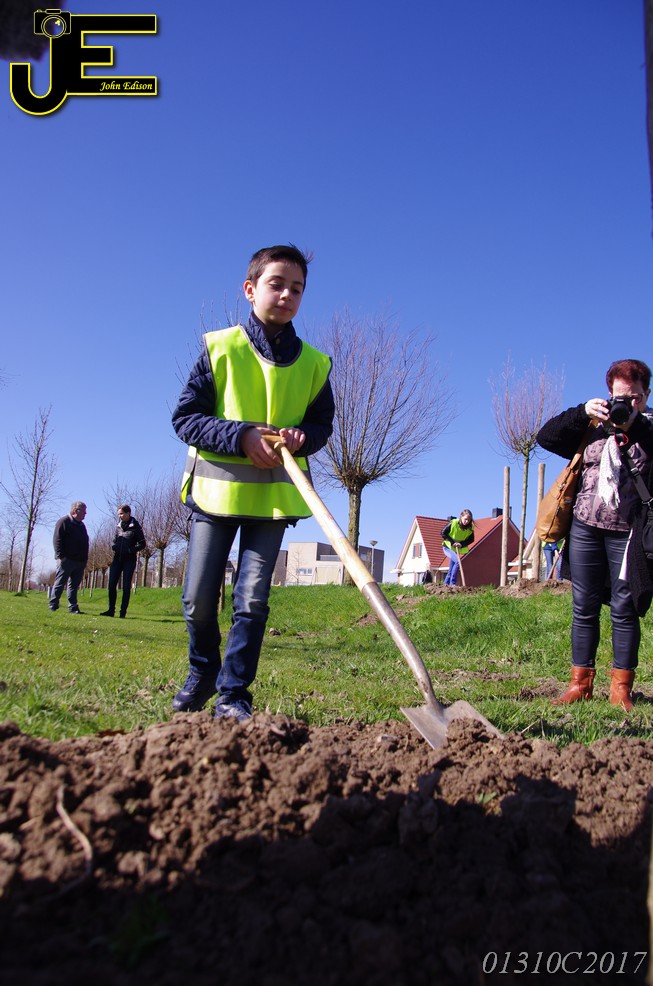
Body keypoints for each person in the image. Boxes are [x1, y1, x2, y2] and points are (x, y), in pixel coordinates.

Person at [170, 244, 334, 722]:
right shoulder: (219, 348)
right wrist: (240, 436)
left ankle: (233, 694)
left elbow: (321, 426)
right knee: (198, 601)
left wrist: (302, 438)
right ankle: (204, 670)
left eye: (297, 289)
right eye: (276, 284)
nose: (286, 295)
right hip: (215, 495)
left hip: (272, 503)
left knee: (252, 599)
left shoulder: (315, 365)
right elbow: (185, 418)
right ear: (250, 289)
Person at [537, 359, 653, 711]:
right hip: (585, 528)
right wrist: (582, 412)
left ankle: (621, 690)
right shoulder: (594, 426)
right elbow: (546, 437)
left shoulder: (649, 427)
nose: (626, 404)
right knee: (583, 606)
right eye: (620, 397)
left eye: (634, 397)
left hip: (628, 533)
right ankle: (579, 685)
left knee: (624, 608)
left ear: (646, 395)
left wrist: (635, 425)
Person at [100, 505, 146, 618]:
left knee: (126, 586)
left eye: (121, 513)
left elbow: (142, 544)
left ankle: (122, 612)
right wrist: (114, 546)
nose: (120, 516)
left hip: (129, 560)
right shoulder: (118, 527)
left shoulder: (136, 527)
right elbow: (114, 540)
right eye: (119, 514)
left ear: (128, 513)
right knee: (111, 584)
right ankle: (111, 610)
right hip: (117, 559)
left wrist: (130, 550)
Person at [49, 502, 89, 614]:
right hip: (66, 560)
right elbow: (57, 540)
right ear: (75, 511)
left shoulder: (82, 526)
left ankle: (73, 607)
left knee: (74, 585)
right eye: (83, 511)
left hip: (80, 561)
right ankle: (53, 604)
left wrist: (84, 559)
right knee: (60, 582)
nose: (85, 513)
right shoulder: (63, 522)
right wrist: (61, 556)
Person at [441, 510, 474, 585]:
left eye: (469, 520)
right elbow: (443, 532)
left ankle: (445, 584)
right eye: (465, 519)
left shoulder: (470, 528)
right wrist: (452, 542)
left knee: (451, 568)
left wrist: (461, 544)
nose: (467, 521)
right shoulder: (454, 523)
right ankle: (452, 583)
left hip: (456, 549)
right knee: (457, 562)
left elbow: (471, 539)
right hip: (448, 547)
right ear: (461, 517)